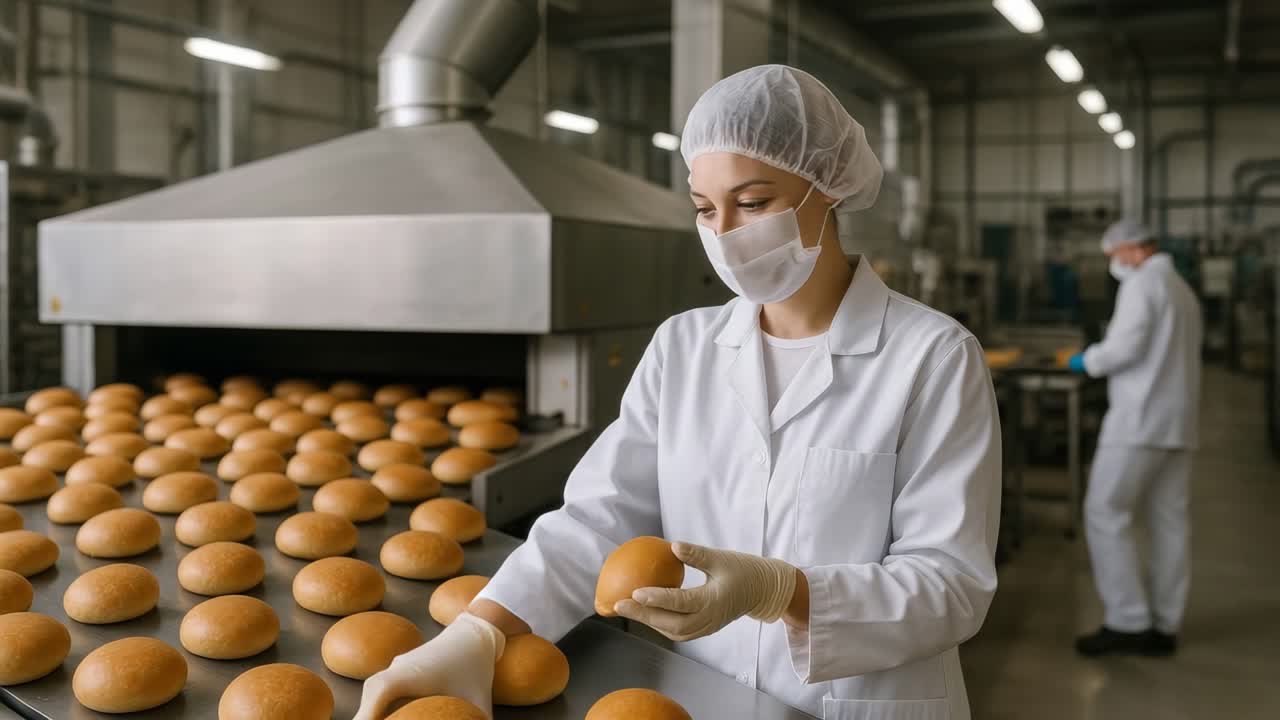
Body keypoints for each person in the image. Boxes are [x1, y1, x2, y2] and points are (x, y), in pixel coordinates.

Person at [355, 65, 1001, 720]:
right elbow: (600, 518)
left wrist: (781, 591)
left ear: (826, 189)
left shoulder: (933, 357)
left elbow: (952, 586)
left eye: (752, 204)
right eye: (703, 209)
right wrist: (482, 632)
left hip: (863, 703)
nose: (725, 231)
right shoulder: (683, 347)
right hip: (706, 695)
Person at [1068, 220, 1203, 657]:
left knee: (1105, 511)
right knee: (1169, 523)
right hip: (1177, 425)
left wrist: (1085, 360)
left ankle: (1127, 622)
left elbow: (1124, 349)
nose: (1113, 263)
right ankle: (1165, 624)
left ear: (1131, 249)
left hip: (1139, 422)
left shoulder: (1142, 285)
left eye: (1113, 254)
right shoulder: (1180, 288)